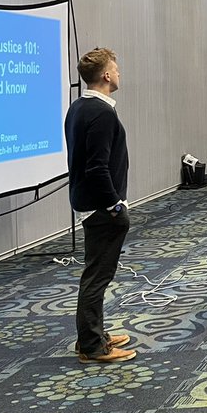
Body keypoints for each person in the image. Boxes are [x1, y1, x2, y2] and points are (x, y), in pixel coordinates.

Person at [66, 48, 136, 363]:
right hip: (101, 207)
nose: (119, 73)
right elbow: (97, 167)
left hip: (87, 202)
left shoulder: (78, 107)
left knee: (94, 273)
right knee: (97, 277)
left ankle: (93, 334)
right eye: (116, 69)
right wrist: (114, 206)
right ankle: (92, 346)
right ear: (106, 75)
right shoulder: (102, 113)